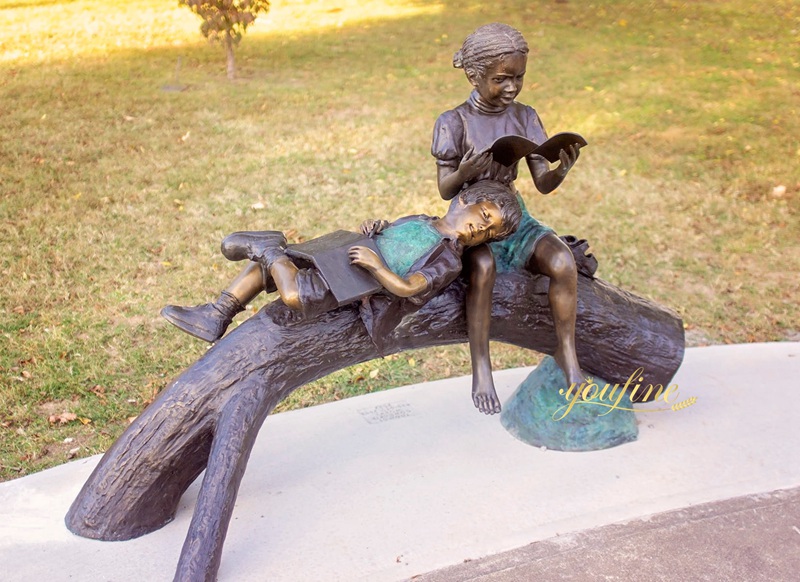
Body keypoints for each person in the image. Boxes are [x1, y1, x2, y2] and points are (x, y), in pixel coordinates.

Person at [161, 180, 522, 354]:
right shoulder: (421, 219)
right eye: (485, 215)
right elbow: (394, 237)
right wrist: (377, 229)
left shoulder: (449, 259)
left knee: (293, 294)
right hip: (350, 255)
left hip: (362, 286)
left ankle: (269, 248)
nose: (482, 228)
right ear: (464, 200)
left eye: (489, 232)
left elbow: (411, 287)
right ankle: (217, 313)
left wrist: (379, 268)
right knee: (267, 272)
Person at [431, 22, 586, 415]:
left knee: (563, 261)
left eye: (519, 77)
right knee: (482, 269)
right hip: (472, 217)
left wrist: (561, 170)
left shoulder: (525, 117)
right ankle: (481, 365)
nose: (512, 87)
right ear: (474, 75)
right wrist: (466, 171)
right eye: (502, 79)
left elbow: (542, 182)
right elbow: (446, 190)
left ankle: (567, 352)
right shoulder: (454, 122)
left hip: (514, 216)